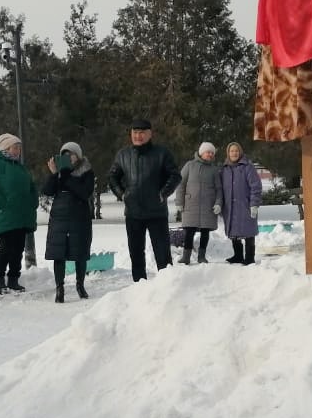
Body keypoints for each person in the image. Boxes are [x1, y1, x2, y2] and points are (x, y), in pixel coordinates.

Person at [107, 119, 181, 281]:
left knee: (162, 254)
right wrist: (122, 194)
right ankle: (139, 287)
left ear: (150, 134)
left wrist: (163, 193)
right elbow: (113, 177)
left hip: (157, 213)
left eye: (141, 133)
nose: (138, 136)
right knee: (136, 253)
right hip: (133, 213)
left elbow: (175, 176)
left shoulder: (162, 153)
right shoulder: (123, 154)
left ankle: (167, 285)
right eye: (135, 133)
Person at [0, 133, 39, 294]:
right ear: (5, 148)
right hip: (3, 215)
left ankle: (13, 280)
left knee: (18, 249)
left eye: (19, 147)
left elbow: (31, 186)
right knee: (6, 248)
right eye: (15, 147)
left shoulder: (19, 166)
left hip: (21, 215)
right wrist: (2, 203)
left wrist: (33, 201)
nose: (18, 150)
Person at [42, 141, 94, 302]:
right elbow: (47, 191)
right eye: (64, 155)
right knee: (59, 254)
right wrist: (53, 174)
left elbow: (84, 192)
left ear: (78, 156)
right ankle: (60, 288)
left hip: (80, 218)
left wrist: (64, 176)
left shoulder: (86, 171)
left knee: (80, 253)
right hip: (59, 218)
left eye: (70, 155)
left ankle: (80, 285)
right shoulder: (59, 172)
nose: (68, 158)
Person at [175, 141, 222, 265]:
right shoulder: (190, 165)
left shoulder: (214, 170)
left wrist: (218, 203)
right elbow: (181, 183)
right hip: (191, 205)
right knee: (189, 231)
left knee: (205, 232)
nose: (210, 155)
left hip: (208, 206)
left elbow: (219, 189)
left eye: (212, 153)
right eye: (208, 152)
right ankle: (186, 257)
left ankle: (202, 256)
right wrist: (179, 201)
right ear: (202, 153)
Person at [220, 142, 263, 264]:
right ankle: (238, 255)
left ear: (240, 152)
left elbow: (256, 186)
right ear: (228, 153)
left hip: (245, 205)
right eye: (232, 151)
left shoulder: (247, 167)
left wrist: (254, 204)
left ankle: (249, 257)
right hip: (230, 207)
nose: (234, 153)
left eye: (236, 151)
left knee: (249, 231)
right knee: (234, 231)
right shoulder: (224, 169)